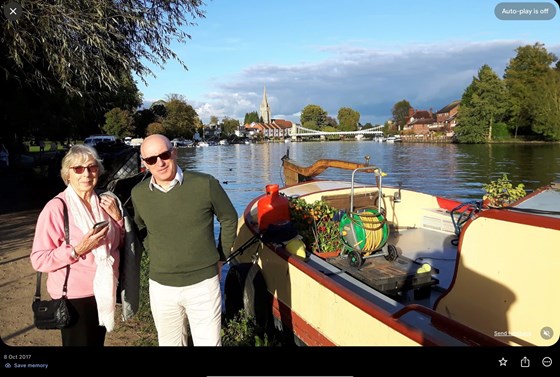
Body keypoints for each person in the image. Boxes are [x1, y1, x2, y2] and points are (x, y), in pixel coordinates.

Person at [131, 134, 238, 346]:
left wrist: (221, 257)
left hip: (203, 284)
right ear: (144, 164)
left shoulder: (205, 184)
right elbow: (140, 228)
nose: (160, 163)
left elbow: (229, 218)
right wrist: (157, 253)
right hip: (161, 287)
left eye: (164, 155)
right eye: (151, 159)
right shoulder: (138, 193)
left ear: (174, 152)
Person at [31, 144, 124, 346]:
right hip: (74, 297)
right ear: (68, 175)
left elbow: (116, 245)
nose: (86, 174)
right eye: (78, 169)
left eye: (91, 167)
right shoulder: (56, 208)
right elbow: (38, 260)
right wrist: (77, 250)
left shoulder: (104, 203)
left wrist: (117, 220)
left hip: (103, 290)